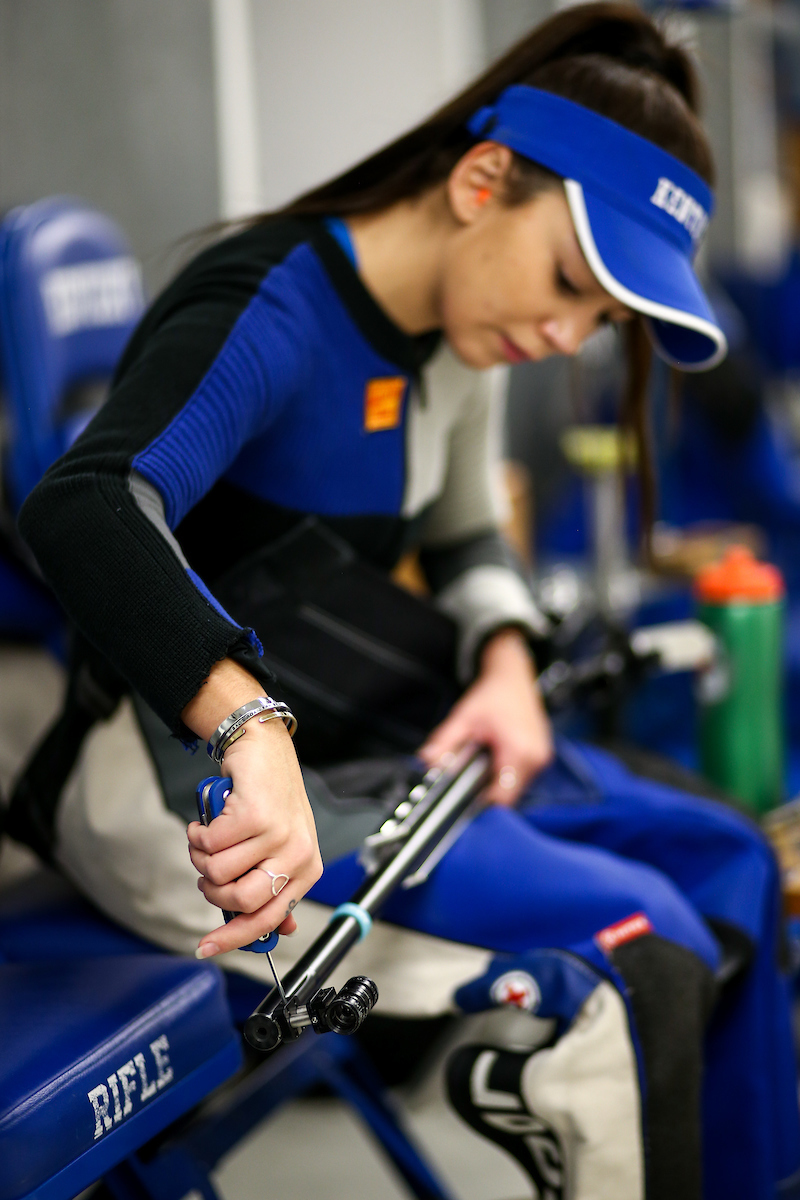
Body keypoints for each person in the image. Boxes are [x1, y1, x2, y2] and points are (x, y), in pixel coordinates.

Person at [9, 4, 800, 1196]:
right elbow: (84, 504)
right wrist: (246, 719)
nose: (563, 333)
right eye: (568, 282)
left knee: (729, 860)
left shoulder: (455, 333)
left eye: (598, 321)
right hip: (182, 792)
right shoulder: (269, 307)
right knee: (644, 960)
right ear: (482, 181)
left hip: (364, 740)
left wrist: (497, 659)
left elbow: (466, 526)